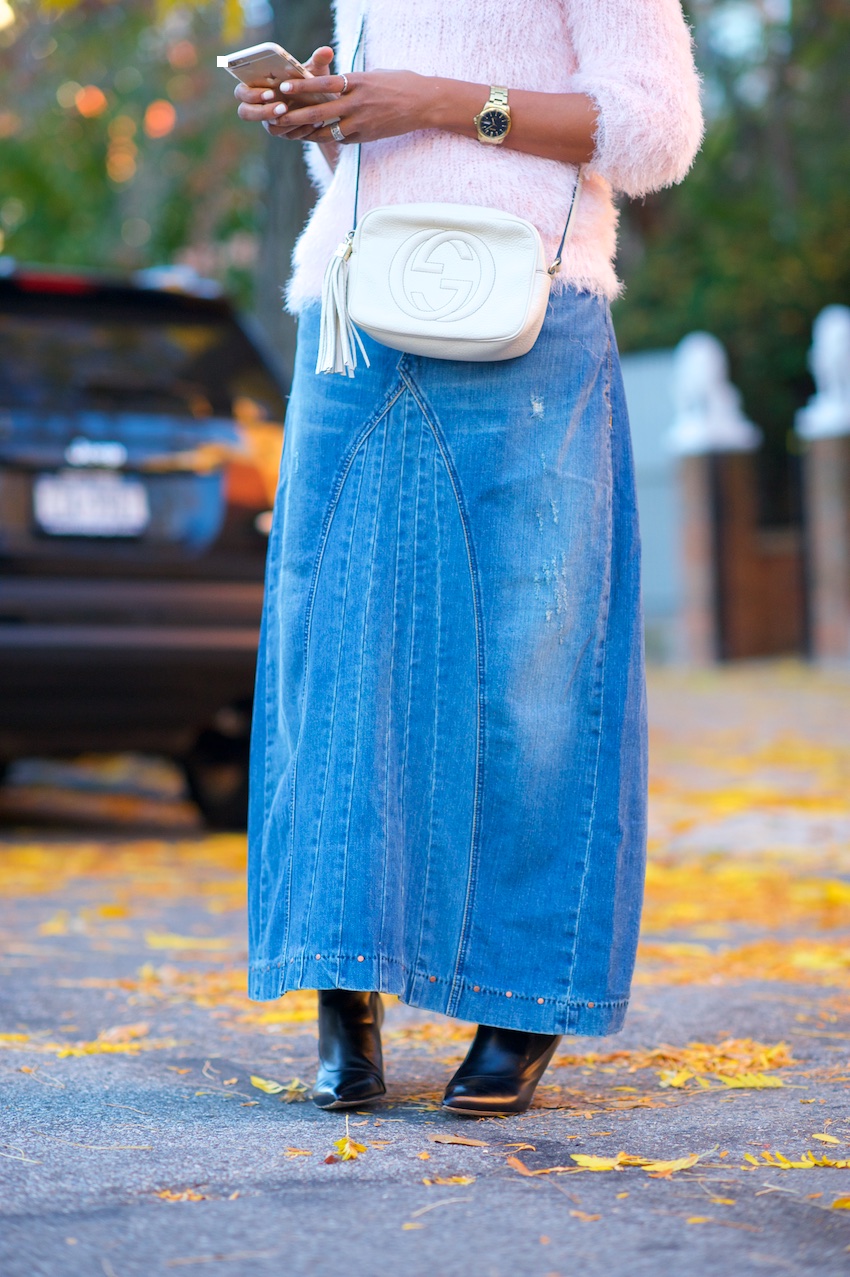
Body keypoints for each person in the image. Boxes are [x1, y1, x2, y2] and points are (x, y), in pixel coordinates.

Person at [235, 0, 702, 1116]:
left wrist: (438, 102)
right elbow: (382, 163)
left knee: (532, 668)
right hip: (355, 309)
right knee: (336, 659)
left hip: (530, 313)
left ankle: (520, 994)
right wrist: (333, 116)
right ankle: (343, 986)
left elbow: (654, 137)